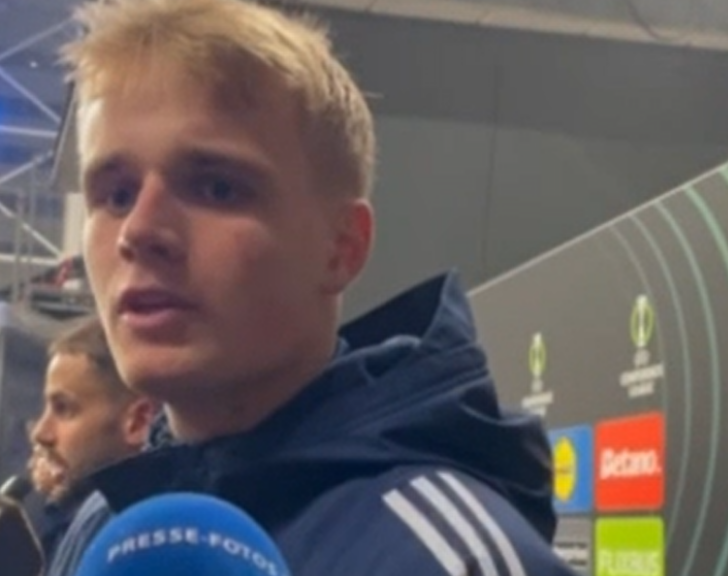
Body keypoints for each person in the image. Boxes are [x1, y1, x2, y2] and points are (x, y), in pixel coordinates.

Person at [48, 1, 572, 575]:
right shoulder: (105, 528)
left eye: (217, 188)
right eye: (117, 195)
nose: (139, 231)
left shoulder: (452, 559)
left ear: (342, 247)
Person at [24, 316, 156, 568]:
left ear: (138, 421)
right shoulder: (68, 515)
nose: (41, 433)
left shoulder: (116, 528)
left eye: (63, 408)